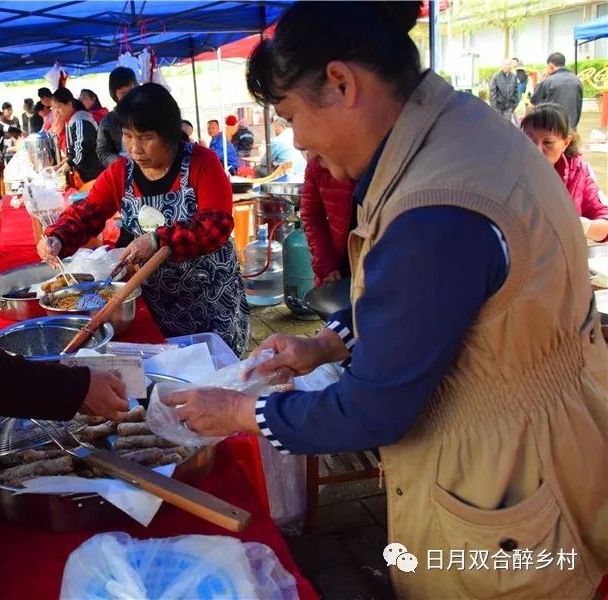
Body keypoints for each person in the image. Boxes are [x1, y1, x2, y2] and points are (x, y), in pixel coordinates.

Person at [165, 3, 607, 599]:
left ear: (343, 83)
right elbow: (424, 308)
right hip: (541, 439)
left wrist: (241, 412)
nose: (297, 140)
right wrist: (324, 343)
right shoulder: (458, 128)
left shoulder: (439, 204)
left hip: (504, 484)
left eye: (292, 114)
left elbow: (373, 409)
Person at [38, 84, 251, 355]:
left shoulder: (202, 163)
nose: (135, 148)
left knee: (216, 372)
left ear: (170, 135)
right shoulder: (120, 173)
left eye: (146, 137)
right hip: (156, 302)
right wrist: (58, 236)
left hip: (209, 300)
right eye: (127, 136)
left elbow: (215, 226)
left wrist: (156, 239)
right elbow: (87, 213)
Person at [521, 103, 608, 242]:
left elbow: (605, 223)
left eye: (548, 142)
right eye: (529, 140)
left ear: (566, 143)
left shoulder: (578, 171)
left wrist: (579, 225)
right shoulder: (506, 169)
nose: (537, 150)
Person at [300, 156, 356, 286]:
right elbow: (311, 215)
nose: (297, 144)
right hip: (340, 266)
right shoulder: (316, 162)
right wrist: (326, 264)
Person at [52, 87, 104, 186]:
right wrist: (58, 167)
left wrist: (62, 170)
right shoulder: (71, 119)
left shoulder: (80, 120)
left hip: (94, 174)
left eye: (58, 108)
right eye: (54, 109)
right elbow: (73, 152)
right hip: (87, 174)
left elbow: (80, 150)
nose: (56, 113)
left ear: (69, 104)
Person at [97, 66, 138, 167]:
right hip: (123, 168)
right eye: (123, 93)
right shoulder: (107, 121)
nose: (128, 96)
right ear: (114, 95)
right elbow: (103, 152)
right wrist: (124, 163)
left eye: (131, 91)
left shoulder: (148, 112)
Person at [531, 52, 583, 128]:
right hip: (571, 125)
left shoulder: (548, 81)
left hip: (553, 125)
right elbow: (579, 105)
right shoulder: (576, 80)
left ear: (550, 66)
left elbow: (534, 100)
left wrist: (541, 83)